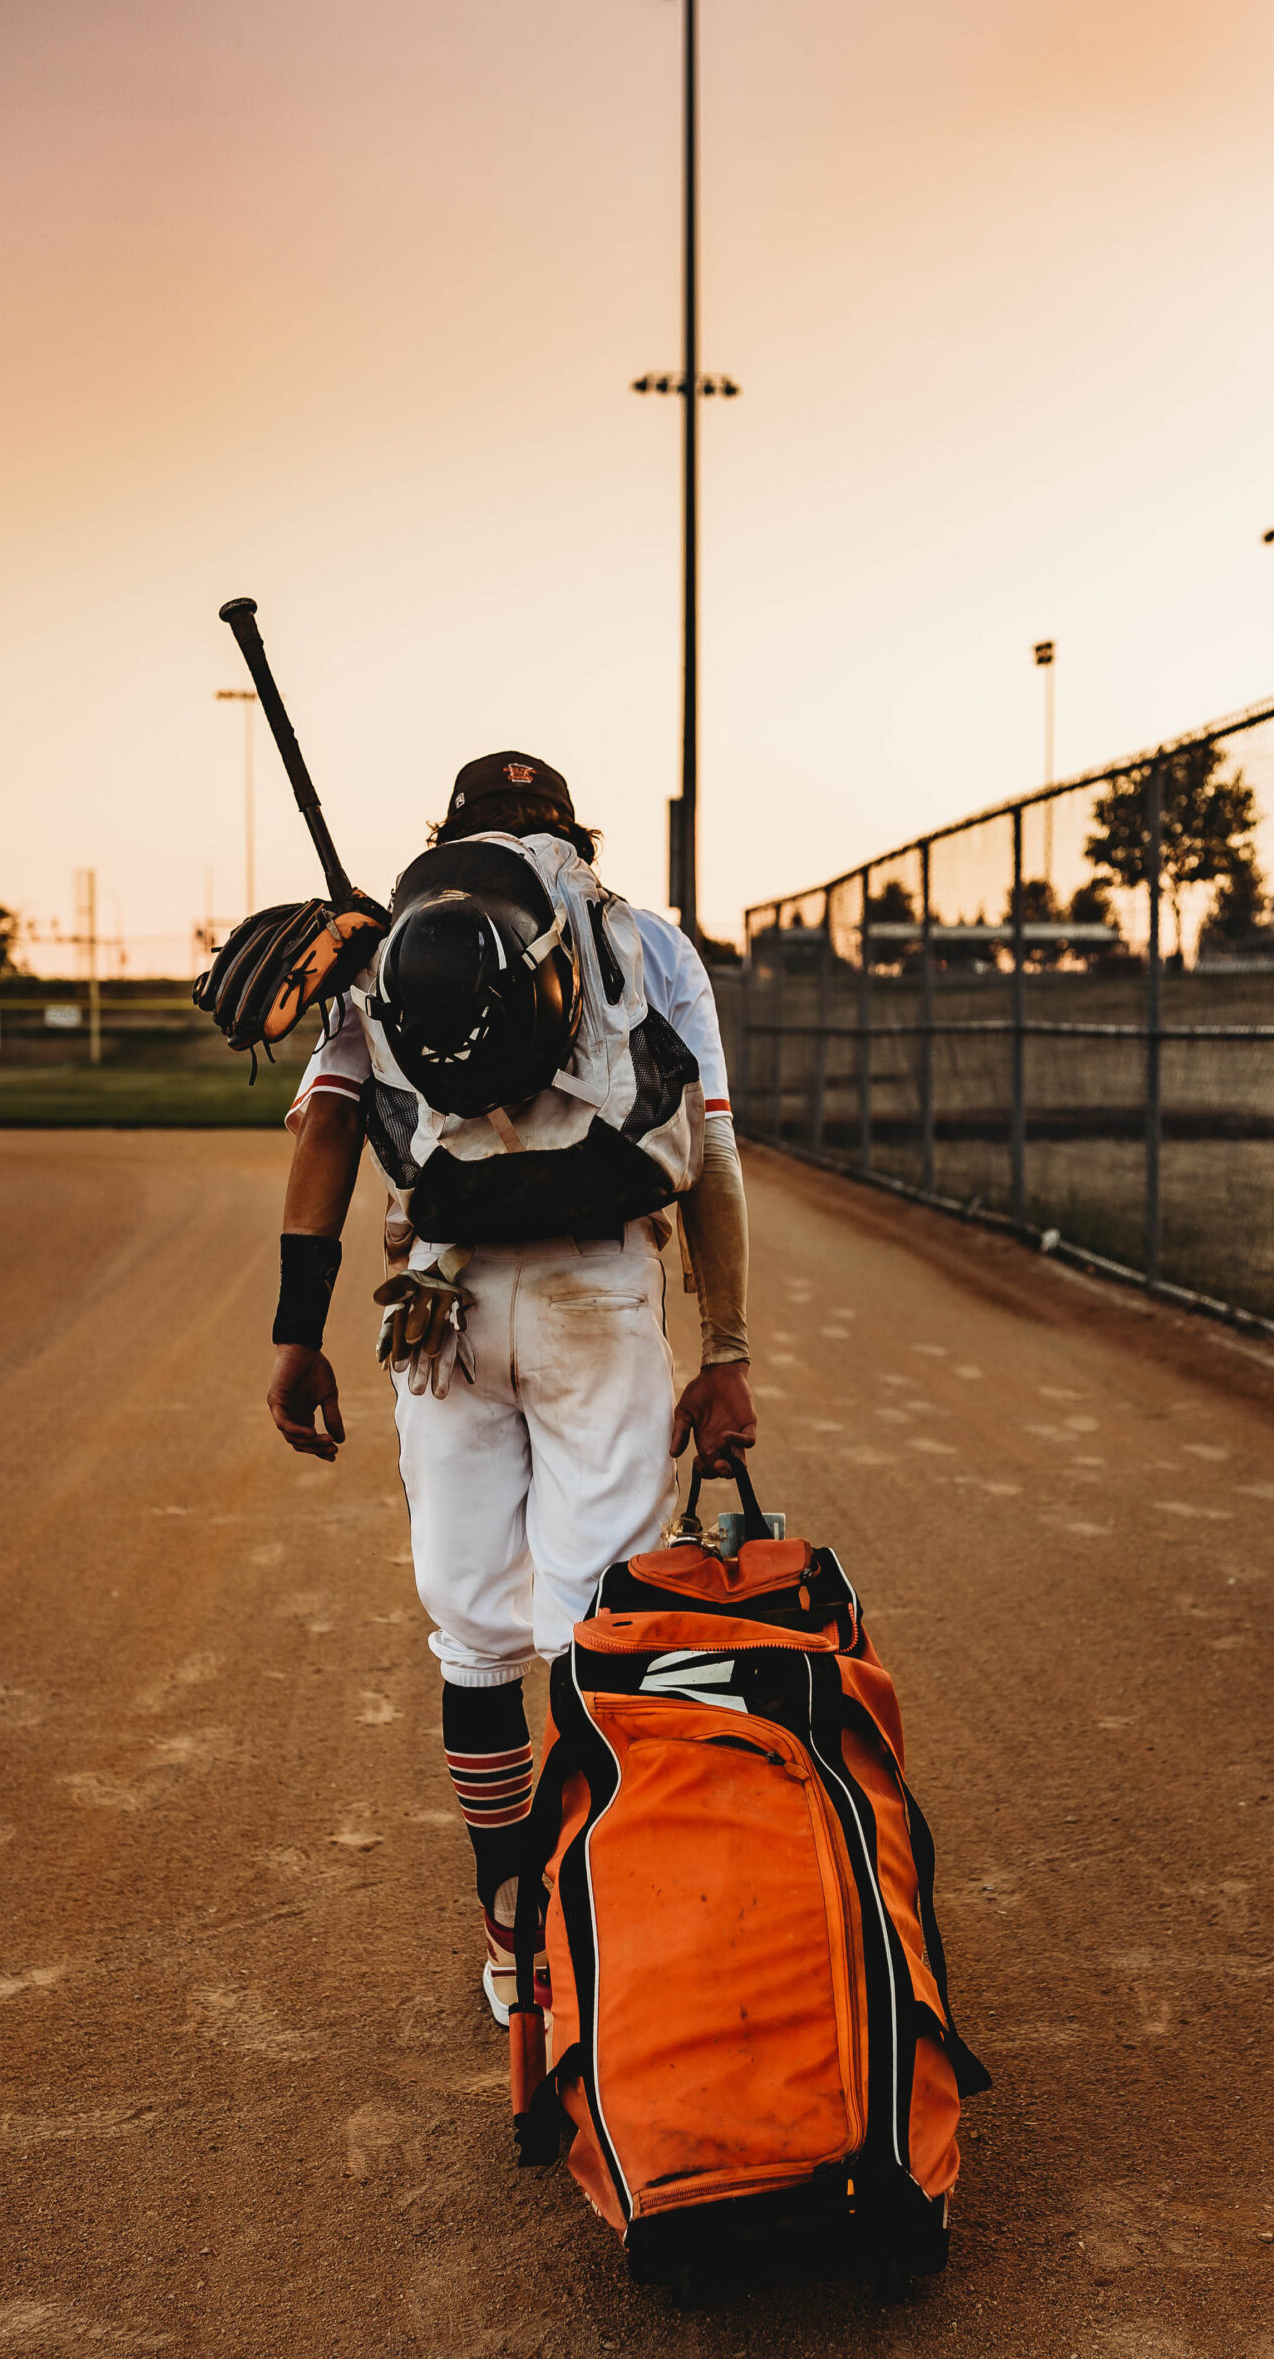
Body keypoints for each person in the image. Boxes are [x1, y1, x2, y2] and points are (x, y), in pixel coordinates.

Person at [263, 751, 754, 2024]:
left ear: (449, 841)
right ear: (571, 837)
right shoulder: (644, 943)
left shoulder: (380, 955)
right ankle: (610, 1912)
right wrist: (732, 1351)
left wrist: (293, 1333)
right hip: (600, 1294)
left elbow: (325, 1131)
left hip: (438, 1301)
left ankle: (510, 1929)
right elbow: (707, 1152)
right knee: (603, 1628)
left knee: (475, 1637)